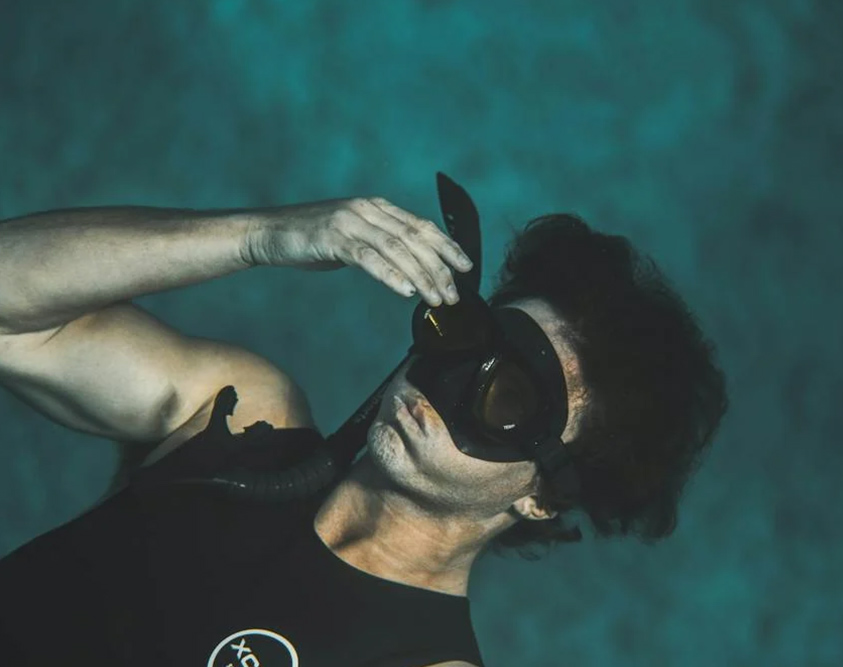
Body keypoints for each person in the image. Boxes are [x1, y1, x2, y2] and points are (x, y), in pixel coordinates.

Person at [0, 174, 729, 666]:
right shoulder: (238, 416)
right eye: (461, 338)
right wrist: (260, 237)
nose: (438, 387)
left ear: (542, 493)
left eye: (504, 398)